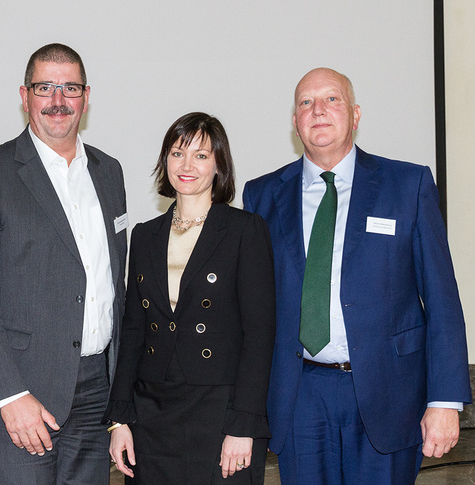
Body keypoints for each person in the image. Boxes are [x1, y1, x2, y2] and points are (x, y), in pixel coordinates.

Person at [242, 67, 472, 484]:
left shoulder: (407, 184)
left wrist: (445, 400)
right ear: (295, 121)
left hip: (390, 393)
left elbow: (442, 298)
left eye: (332, 99)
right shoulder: (262, 195)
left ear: (356, 113)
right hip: (300, 395)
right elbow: (253, 307)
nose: (319, 111)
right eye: (306, 103)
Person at [0, 43, 128, 484]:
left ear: (87, 97)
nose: (58, 100)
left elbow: (112, 285)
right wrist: (10, 395)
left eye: (70, 88)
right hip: (21, 388)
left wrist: (121, 402)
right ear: (25, 96)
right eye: (45, 87)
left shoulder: (109, 171)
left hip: (94, 387)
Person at [105, 112, 276, 484]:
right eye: (177, 153)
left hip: (220, 412)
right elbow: (133, 331)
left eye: (201, 155)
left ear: (219, 165)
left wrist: (243, 425)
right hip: (151, 414)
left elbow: (259, 335)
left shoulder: (245, 231)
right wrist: (120, 419)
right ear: (165, 160)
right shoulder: (145, 235)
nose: (187, 165)